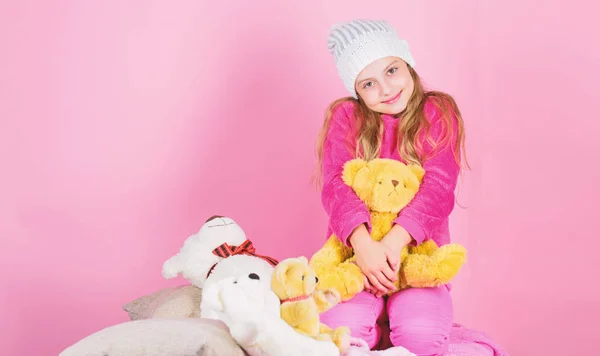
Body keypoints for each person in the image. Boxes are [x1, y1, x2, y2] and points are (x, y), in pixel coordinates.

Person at [314, 19, 468, 355]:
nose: (385, 89)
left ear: (407, 62)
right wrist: (365, 247)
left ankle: (400, 320)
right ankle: (374, 322)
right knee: (341, 333)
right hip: (358, 260)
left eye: (392, 70)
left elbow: (439, 189)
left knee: (421, 336)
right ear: (356, 90)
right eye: (368, 83)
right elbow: (335, 186)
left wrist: (395, 244)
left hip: (416, 261)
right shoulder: (346, 117)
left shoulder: (437, 113)